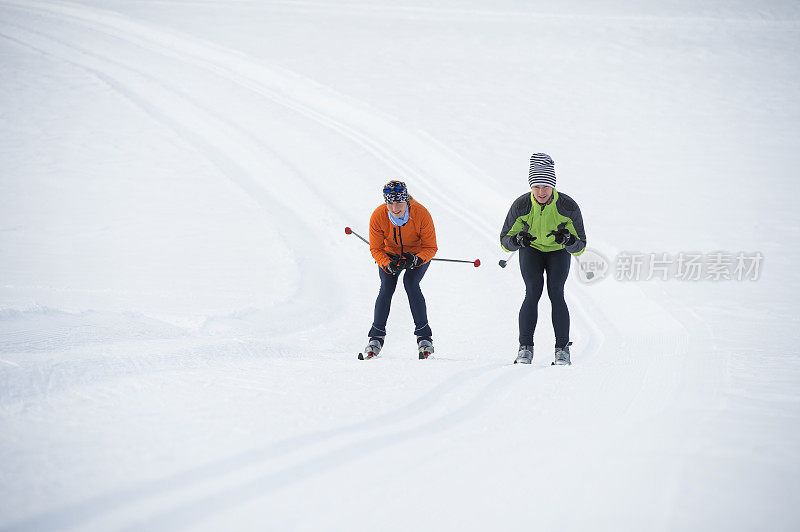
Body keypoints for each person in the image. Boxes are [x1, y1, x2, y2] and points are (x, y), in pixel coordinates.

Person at [500, 153, 587, 365]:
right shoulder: (521, 206)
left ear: (553, 187)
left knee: (556, 293)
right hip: (532, 250)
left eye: (546, 187)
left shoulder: (567, 206)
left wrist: (567, 240)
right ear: (531, 186)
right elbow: (504, 241)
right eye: (536, 187)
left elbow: (581, 246)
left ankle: (562, 350)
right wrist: (518, 239)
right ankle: (525, 349)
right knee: (532, 292)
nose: (541, 192)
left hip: (558, 251)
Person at [360, 181, 438, 360]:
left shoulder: (421, 214)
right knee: (387, 286)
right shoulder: (378, 216)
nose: (394, 208)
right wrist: (387, 263)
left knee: (410, 283)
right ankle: (376, 337)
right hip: (390, 255)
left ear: (407, 201)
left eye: (399, 203)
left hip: (417, 255)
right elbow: (376, 249)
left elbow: (431, 247)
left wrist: (416, 259)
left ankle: (424, 337)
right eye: (390, 203)